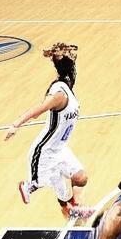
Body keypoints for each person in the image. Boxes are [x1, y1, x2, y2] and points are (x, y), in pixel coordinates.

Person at [5, 42, 92, 220]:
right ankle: (30, 186)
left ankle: (72, 205)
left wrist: (61, 53)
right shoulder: (59, 93)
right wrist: (16, 124)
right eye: (74, 64)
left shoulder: (67, 86)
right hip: (45, 151)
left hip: (60, 149)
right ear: (70, 69)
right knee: (60, 193)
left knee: (81, 178)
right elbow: (38, 110)